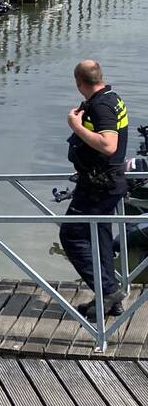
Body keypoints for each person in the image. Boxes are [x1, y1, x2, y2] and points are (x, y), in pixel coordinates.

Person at [61, 60, 129, 318]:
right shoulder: (112, 98)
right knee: (98, 240)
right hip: (104, 182)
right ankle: (111, 301)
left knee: (72, 236)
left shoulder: (101, 105)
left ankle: (108, 291)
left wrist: (75, 126)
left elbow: (109, 145)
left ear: (78, 82)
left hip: (99, 186)